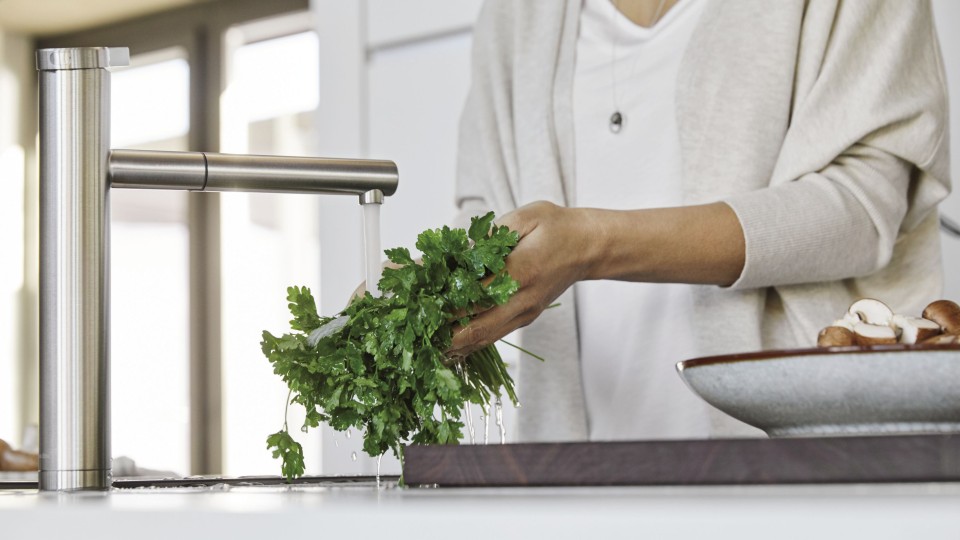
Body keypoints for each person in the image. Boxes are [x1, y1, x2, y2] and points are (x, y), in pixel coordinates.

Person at [446, 0, 951, 442]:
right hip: (572, 476)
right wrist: (437, 288)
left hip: (801, 459)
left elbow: (865, 206)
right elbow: (484, 215)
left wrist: (592, 245)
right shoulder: (516, 14)